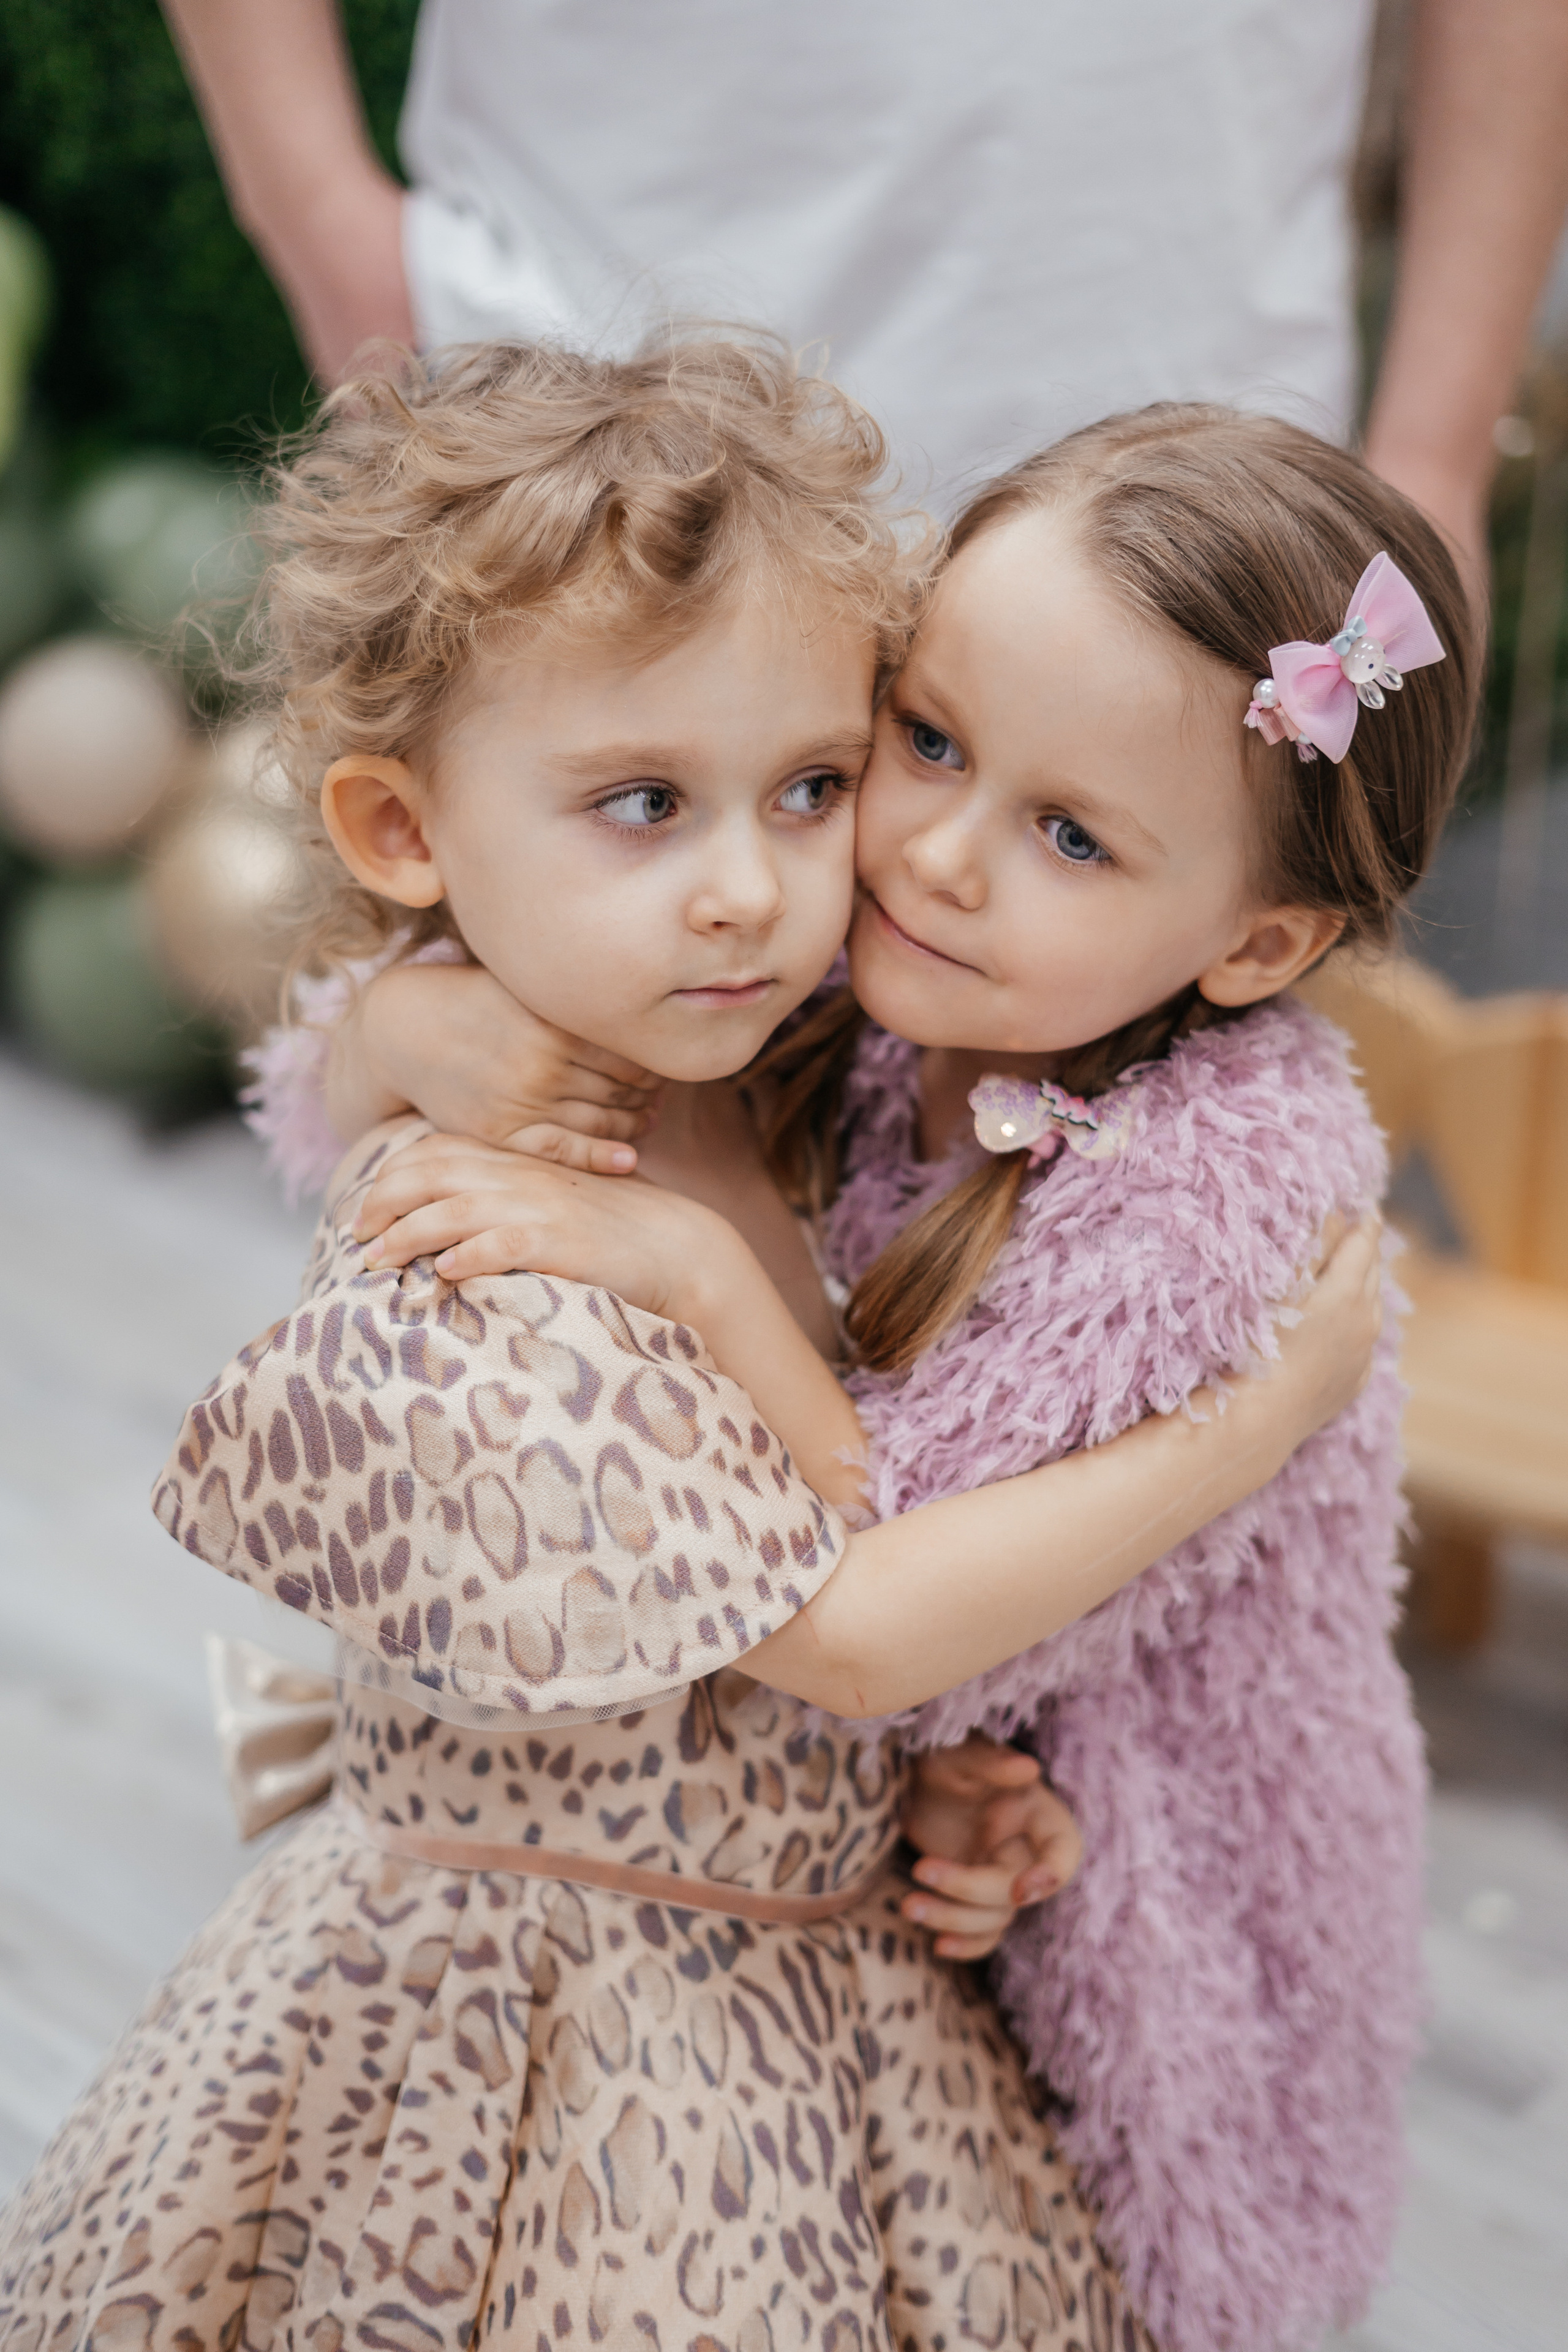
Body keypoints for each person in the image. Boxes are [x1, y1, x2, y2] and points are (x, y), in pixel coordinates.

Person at [0, 334, 1381, 2352]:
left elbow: (850, 1578)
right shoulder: (495, 1252)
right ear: (403, 832)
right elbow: (843, 1623)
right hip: (554, 2052)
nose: (764, 887)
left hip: (805, 1994)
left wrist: (948, 1804)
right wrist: (1261, 1409)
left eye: (814, 780)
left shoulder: (797, 1081)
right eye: (645, 801)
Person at [159, 0, 1568, 594]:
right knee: (538, 1180)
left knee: (1174, 1197)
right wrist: (324, 232)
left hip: (1207, 512)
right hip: (579, 442)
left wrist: (1429, 462)